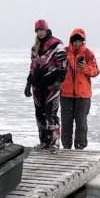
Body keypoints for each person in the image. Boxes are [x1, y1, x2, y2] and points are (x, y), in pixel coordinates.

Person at [24, 19, 67, 151]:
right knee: (39, 115)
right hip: (37, 86)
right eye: (37, 30)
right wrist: (28, 83)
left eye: (41, 30)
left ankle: (54, 143)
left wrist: (59, 81)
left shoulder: (57, 44)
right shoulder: (34, 48)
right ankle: (44, 141)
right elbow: (33, 67)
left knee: (51, 114)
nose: (40, 32)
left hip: (51, 86)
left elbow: (64, 65)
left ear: (46, 29)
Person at [60, 29, 100, 150]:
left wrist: (85, 68)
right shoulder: (65, 52)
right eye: (75, 41)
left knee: (81, 123)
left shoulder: (88, 53)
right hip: (66, 95)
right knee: (66, 122)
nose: (77, 43)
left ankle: (80, 147)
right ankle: (66, 146)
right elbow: (56, 67)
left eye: (79, 41)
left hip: (83, 96)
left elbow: (95, 71)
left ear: (82, 41)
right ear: (71, 41)